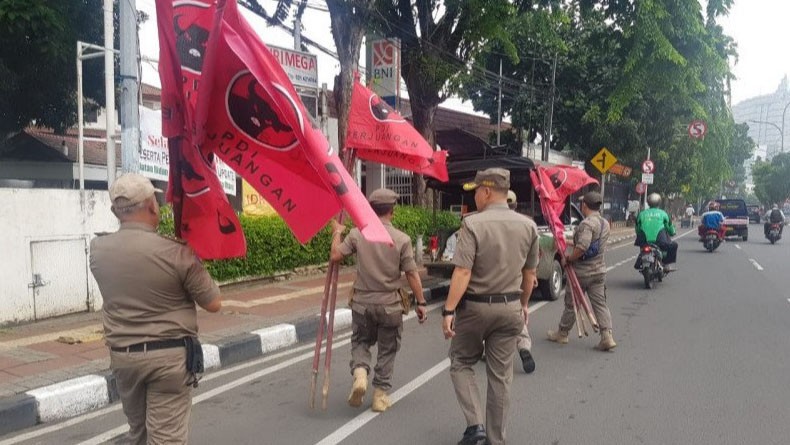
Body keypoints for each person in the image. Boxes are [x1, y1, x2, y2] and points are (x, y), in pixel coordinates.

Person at [89, 173, 222, 445]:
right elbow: (213, 303)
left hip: (124, 358)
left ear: (115, 211)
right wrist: (193, 256)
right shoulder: (176, 253)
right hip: (168, 360)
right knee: (166, 439)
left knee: (139, 434)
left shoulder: (98, 250)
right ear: (152, 206)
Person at [441, 168, 539, 445]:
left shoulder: (472, 224)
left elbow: (462, 271)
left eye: (476, 192)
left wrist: (449, 310)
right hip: (510, 309)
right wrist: (523, 305)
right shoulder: (528, 226)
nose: (475, 197)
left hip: (475, 309)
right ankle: (496, 440)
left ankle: (475, 426)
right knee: (501, 377)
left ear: (485, 191)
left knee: (461, 362)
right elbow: (530, 274)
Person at [330, 188, 428, 413]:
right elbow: (412, 274)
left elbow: (335, 255)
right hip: (390, 306)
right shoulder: (402, 239)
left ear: (371, 210)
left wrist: (337, 232)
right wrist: (421, 302)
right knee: (388, 349)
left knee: (360, 342)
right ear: (392, 211)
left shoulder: (357, 234)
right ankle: (380, 395)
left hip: (362, 305)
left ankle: (360, 373)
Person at [547, 191, 617, 352]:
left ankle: (562, 333)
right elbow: (591, 244)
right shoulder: (604, 223)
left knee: (571, 305)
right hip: (599, 271)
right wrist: (566, 241)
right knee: (600, 304)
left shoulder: (586, 224)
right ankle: (607, 336)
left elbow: (583, 247)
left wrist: (569, 259)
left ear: (584, 205)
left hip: (581, 273)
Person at [508, 190, 536, 374]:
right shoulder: (528, 225)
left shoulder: (485, 223)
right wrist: (525, 303)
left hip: (492, 283)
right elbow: (531, 266)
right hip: (518, 280)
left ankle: (488, 349)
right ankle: (524, 346)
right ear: (516, 205)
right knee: (518, 315)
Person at [634, 193, 678, 270]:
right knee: (674, 245)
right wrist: (673, 232)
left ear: (648, 203)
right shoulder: (663, 214)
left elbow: (637, 229)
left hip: (643, 241)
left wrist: (639, 234)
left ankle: (640, 259)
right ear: (659, 202)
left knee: (642, 247)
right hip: (659, 241)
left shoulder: (641, 214)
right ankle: (666, 264)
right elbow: (669, 227)